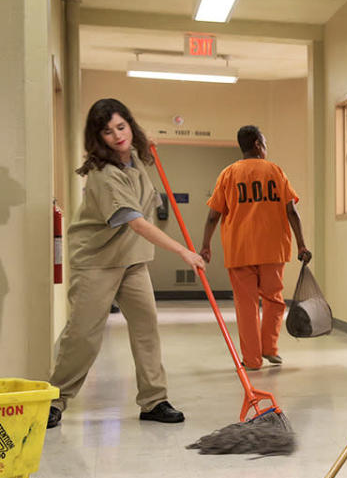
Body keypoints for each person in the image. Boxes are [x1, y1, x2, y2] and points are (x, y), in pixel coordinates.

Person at [47, 98, 205, 428]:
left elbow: (140, 151)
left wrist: (147, 143)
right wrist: (183, 252)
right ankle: (55, 398)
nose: (118, 136)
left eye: (122, 127)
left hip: (132, 260)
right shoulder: (104, 175)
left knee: (146, 327)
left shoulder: (134, 158)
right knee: (84, 335)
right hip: (97, 260)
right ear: (97, 137)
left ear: (130, 125)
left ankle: (154, 400)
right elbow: (136, 222)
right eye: (108, 132)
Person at [200, 125, 311, 371]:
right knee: (274, 300)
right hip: (273, 250)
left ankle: (252, 359)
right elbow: (291, 210)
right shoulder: (275, 171)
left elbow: (213, 215)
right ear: (259, 145)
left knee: (246, 305)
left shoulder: (228, 174)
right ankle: (269, 348)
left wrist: (206, 245)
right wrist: (302, 244)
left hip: (239, 251)